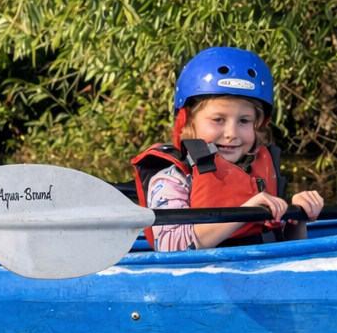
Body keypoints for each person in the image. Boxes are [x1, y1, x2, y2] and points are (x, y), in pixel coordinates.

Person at [130, 47, 324, 251]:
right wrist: (246, 213)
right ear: (187, 123)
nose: (232, 133)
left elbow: (287, 249)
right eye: (218, 119)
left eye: (243, 121)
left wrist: (298, 216)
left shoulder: (257, 176)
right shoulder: (172, 180)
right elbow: (170, 247)